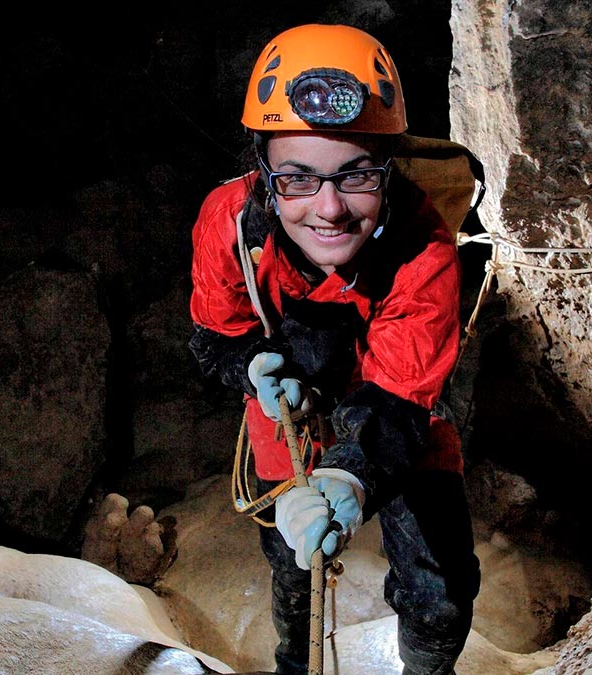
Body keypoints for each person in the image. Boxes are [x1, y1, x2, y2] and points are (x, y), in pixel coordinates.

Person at [187, 24, 480, 675]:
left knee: (441, 594)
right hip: (289, 405)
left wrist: (350, 471)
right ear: (263, 171)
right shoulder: (230, 223)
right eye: (297, 178)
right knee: (295, 571)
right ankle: (298, 665)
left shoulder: (424, 246)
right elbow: (215, 336)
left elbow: (403, 397)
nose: (329, 208)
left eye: (356, 176)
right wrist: (251, 368)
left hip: (396, 412)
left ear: (389, 169)